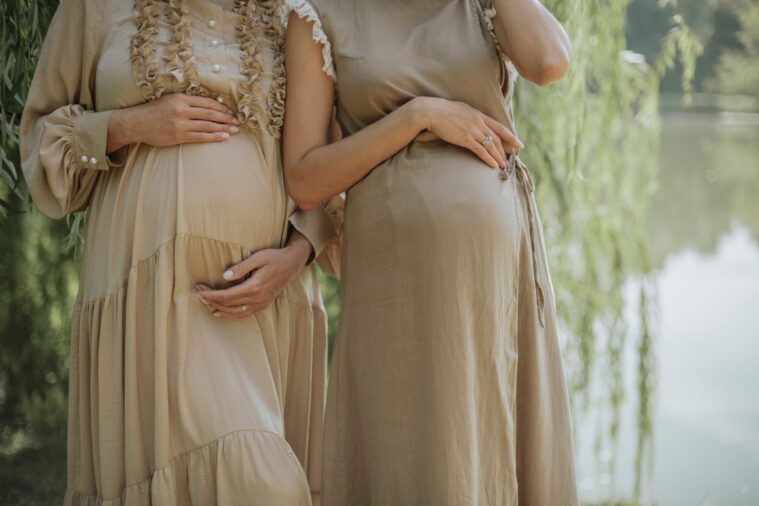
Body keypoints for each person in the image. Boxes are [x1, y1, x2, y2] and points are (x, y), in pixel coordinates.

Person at [20, 0, 340, 503]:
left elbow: (327, 165)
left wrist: (299, 253)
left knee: (266, 485)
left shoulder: (296, 12)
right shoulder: (95, 7)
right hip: (151, 298)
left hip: (268, 301)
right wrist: (129, 125)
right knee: (261, 487)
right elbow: (41, 143)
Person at [283, 0, 578, 503]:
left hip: (494, 275)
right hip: (397, 281)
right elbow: (305, 178)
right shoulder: (317, 13)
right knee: (413, 449)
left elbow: (549, 62)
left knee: (499, 442)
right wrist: (419, 117)